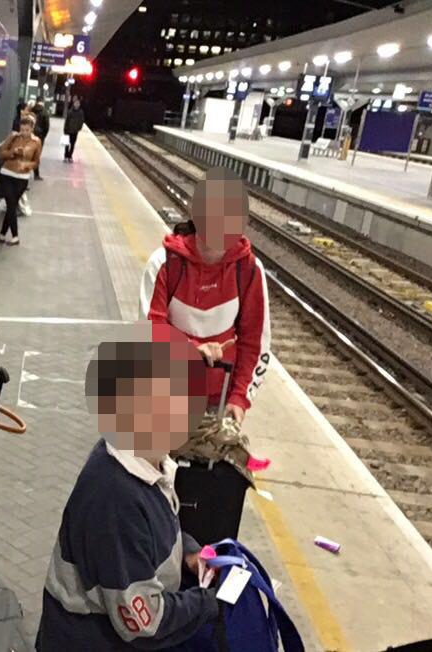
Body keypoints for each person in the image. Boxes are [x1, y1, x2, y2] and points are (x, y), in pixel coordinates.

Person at [36, 323, 219, 650]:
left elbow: (154, 536)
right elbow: (142, 622)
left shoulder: (149, 459)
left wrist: (189, 553)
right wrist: (208, 602)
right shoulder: (116, 497)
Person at [139, 167, 271, 545]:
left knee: (207, 501)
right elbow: (151, 332)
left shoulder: (249, 271)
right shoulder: (164, 263)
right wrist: (191, 352)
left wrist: (239, 398)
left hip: (216, 405)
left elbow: (254, 342)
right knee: (154, 490)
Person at [0, 116, 41, 246]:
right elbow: (1, 153)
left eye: (27, 130)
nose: (24, 132)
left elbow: (36, 161)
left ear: (32, 129)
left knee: (12, 204)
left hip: (22, 177)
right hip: (7, 173)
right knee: (11, 204)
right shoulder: (13, 137)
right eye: (22, 129)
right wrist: (12, 152)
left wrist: (28, 166)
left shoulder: (36, 142)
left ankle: (2, 234)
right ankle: (15, 236)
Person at [31, 99, 50, 180]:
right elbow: (47, 126)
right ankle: (36, 174)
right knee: (36, 155)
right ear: (43, 102)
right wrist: (43, 135)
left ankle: (25, 173)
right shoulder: (45, 112)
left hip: (30, 134)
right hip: (40, 136)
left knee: (28, 154)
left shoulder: (31, 110)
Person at [63, 98, 85, 162]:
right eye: (76, 103)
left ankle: (70, 156)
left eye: (78, 103)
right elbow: (67, 121)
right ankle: (65, 156)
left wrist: (79, 128)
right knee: (66, 144)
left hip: (75, 131)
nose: (77, 104)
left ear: (79, 104)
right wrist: (65, 129)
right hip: (68, 130)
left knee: (72, 144)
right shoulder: (70, 111)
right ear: (74, 104)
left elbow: (81, 121)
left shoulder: (81, 112)